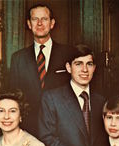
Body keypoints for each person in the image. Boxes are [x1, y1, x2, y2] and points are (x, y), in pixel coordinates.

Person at [9, 3, 78, 137]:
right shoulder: (18, 58)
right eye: (35, 19)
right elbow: (14, 96)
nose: (39, 23)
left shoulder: (69, 54)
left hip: (63, 129)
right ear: (29, 24)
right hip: (29, 129)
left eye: (44, 19)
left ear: (52, 23)